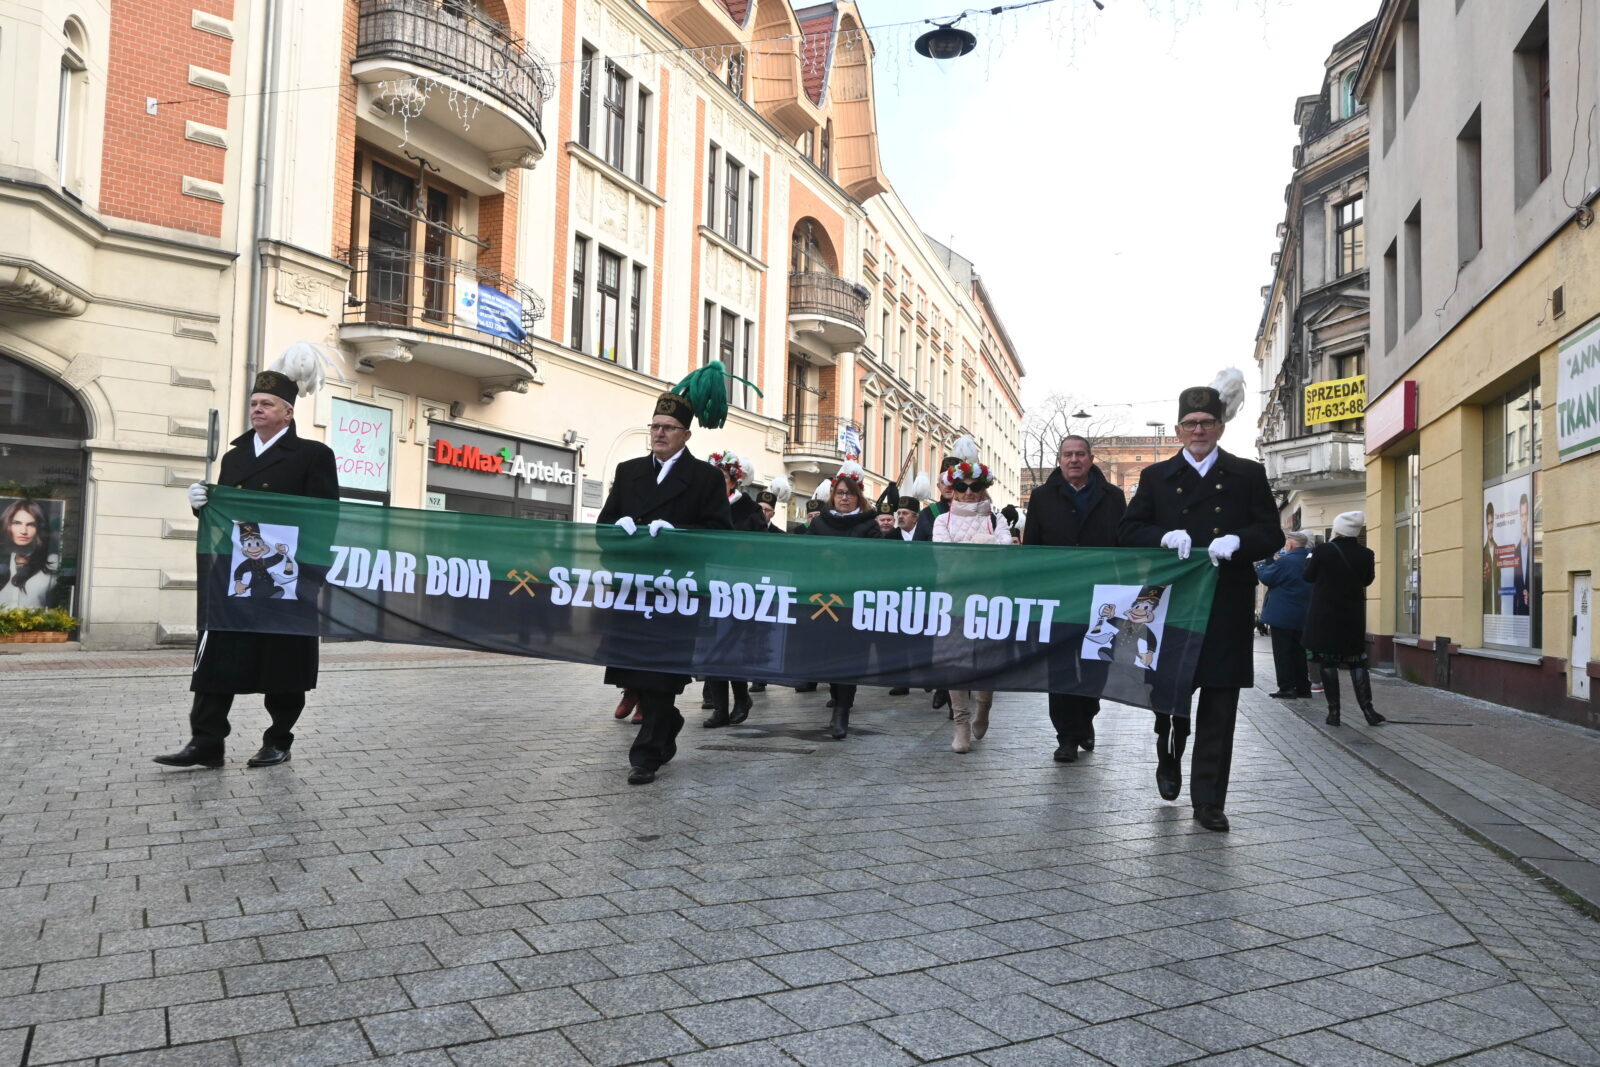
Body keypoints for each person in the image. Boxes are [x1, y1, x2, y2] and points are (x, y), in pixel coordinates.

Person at [154, 345, 338, 770]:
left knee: (283, 664)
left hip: (286, 577)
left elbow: (326, 519)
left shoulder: (313, 455)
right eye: (254, 403)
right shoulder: (235, 456)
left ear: (287, 412)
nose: (256, 409)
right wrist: (201, 504)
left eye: (266, 404)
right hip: (235, 575)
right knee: (217, 656)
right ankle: (206, 742)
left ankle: (277, 739)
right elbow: (224, 518)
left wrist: (311, 575)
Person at [1119, 369, 1280, 833]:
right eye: (1189, 423)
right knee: (1169, 697)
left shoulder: (1248, 473)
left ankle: (1208, 800)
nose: (1198, 430)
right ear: (1177, 430)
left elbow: (1269, 531)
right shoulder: (1155, 476)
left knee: (1220, 703)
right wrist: (1162, 536)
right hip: (1169, 603)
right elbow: (1128, 531)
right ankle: (1168, 753)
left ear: (1221, 426)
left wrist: (1239, 541)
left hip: (1225, 602)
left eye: (1206, 421)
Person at [596, 369, 735, 784]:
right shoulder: (628, 470)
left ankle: (647, 755)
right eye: (654, 426)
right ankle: (667, 724)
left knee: (660, 676)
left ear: (685, 435)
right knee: (638, 671)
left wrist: (682, 538)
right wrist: (617, 532)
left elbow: (720, 537)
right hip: (634, 591)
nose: (658, 433)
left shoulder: (706, 479)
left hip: (676, 593)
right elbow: (604, 530)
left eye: (668, 428)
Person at [1024, 434, 1126, 763]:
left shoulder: (1113, 496)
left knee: (1097, 667)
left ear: (1091, 459)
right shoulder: (1041, 498)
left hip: (1104, 598)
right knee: (1062, 667)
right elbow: (1032, 551)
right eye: (1068, 454)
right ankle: (1067, 736)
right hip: (1060, 597)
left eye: (1080, 454)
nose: (1074, 460)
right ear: (1059, 459)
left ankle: (1087, 717)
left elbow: (1124, 548)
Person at [929, 445, 1012, 753]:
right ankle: (961, 724)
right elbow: (944, 557)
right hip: (953, 600)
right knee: (955, 663)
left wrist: (975, 547)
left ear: (984, 488)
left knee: (987, 662)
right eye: (960, 486)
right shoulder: (942, 522)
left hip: (990, 600)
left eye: (975, 486)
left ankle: (984, 708)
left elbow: (1004, 553)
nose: (967, 492)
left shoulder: (996, 518)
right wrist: (982, 549)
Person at [806, 460, 883, 738]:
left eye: (849, 493)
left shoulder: (870, 526)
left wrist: (842, 559)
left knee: (851, 656)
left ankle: (842, 710)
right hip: (824, 600)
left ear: (858, 496)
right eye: (840, 493)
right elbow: (807, 560)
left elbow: (876, 563)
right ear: (832, 495)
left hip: (854, 602)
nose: (844, 498)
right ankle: (837, 700)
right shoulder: (819, 524)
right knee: (828, 653)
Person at [1304, 511, 1385, 727]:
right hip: (1352, 613)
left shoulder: (1322, 550)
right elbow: (1367, 581)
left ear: (1337, 529)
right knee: (1357, 661)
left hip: (1326, 614)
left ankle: (1334, 714)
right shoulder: (1366, 553)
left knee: (1328, 661)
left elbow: (1308, 576)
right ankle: (1368, 711)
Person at [702, 450, 761, 729]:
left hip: (739, 586)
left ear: (734, 480)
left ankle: (741, 697)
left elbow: (762, 547)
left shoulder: (748, 509)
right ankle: (719, 707)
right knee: (711, 645)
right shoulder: (704, 505)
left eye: (721, 477)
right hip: (710, 584)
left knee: (732, 645)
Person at [1256, 531, 1315, 699]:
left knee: (1283, 653)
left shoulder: (1287, 561)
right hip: (1303, 614)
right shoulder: (1309, 559)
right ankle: (1304, 687)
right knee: (1299, 652)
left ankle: (1287, 687)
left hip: (1283, 615)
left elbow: (1267, 577)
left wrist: (1262, 564)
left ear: (1290, 544)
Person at [0, 499, 59, 609]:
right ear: (7, 526)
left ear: (39, 529)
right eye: (17, 523)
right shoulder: (3, 562)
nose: (23, 531)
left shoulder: (53, 563)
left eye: (31, 525)